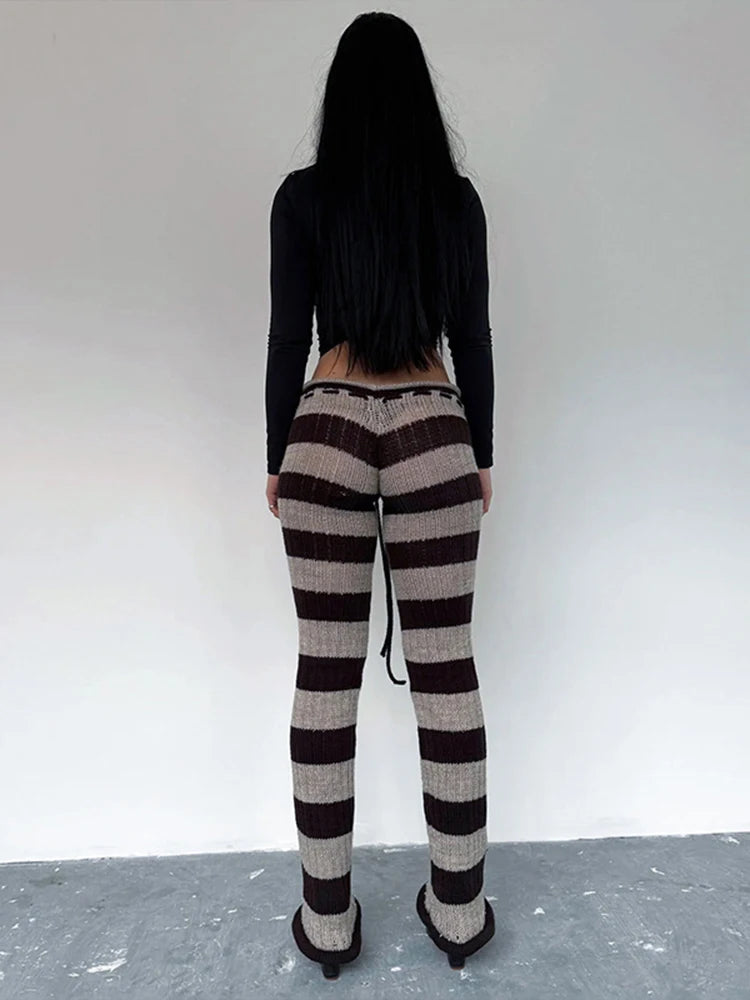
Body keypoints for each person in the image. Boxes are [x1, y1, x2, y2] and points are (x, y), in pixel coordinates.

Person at [264, 12, 495, 980]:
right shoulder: (455, 201)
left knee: (326, 671)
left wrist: (276, 458)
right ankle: (460, 911)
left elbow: (288, 335)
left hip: (325, 427)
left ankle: (327, 924)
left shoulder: (302, 197)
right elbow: (472, 336)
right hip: (434, 428)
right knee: (446, 668)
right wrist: (482, 453)